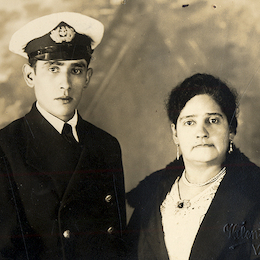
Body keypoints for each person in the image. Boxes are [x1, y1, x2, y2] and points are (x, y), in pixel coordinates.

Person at [0, 12, 126, 260]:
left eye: (76, 70)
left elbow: (118, 244)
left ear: (87, 77)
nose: (65, 84)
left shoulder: (106, 145)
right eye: (53, 69)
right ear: (30, 76)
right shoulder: (6, 148)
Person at [126, 73, 260, 260]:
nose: (201, 132)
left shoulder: (254, 194)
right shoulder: (152, 193)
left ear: (231, 130)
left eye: (213, 120)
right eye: (189, 122)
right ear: (175, 133)